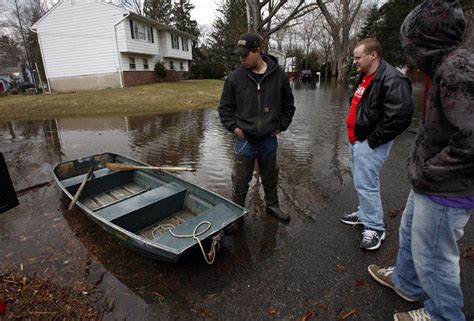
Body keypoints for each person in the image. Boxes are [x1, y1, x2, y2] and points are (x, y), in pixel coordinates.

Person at [368, 0, 474, 320]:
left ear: (425, 39)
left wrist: (431, 171)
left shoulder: (457, 69)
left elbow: (471, 139)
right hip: (432, 180)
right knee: (411, 230)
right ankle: (406, 281)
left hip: (447, 186)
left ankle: (442, 314)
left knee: (434, 256)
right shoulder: (446, 64)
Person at [341, 38, 413, 250]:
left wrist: (371, 140)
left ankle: (375, 227)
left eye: (357, 57)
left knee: (367, 183)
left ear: (373, 55)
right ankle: (364, 214)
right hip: (357, 139)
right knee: (361, 180)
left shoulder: (393, 80)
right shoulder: (364, 75)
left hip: (370, 142)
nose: (354, 61)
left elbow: (399, 118)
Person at [218, 33, 295, 227]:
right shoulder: (234, 78)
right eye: (240, 55)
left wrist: (281, 126)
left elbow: (289, 105)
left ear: (258, 51)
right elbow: (225, 109)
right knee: (241, 180)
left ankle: (272, 205)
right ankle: (237, 216)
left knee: (270, 175)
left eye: (246, 55)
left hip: (269, 138)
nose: (242, 59)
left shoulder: (279, 76)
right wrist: (234, 128)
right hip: (245, 139)